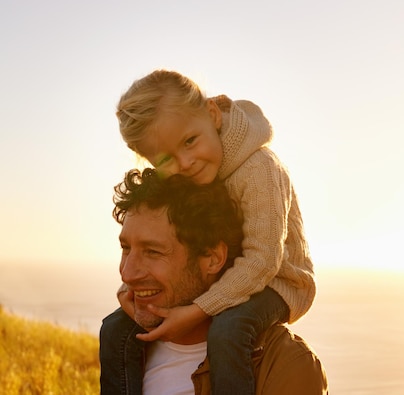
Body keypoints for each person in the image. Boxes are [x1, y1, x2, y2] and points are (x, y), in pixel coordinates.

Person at [101, 70, 316, 394]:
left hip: (279, 281)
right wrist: (131, 289)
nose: (185, 162)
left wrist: (197, 310)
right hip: (235, 274)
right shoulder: (194, 167)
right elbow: (167, 237)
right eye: (166, 158)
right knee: (116, 327)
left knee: (228, 330)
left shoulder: (260, 169)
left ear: (213, 114)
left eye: (190, 141)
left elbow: (263, 261)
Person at [100, 168, 328, 394]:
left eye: (153, 252)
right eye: (126, 248)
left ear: (212, 258)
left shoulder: (287, 365)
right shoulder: (123, 351)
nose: (127, 273)